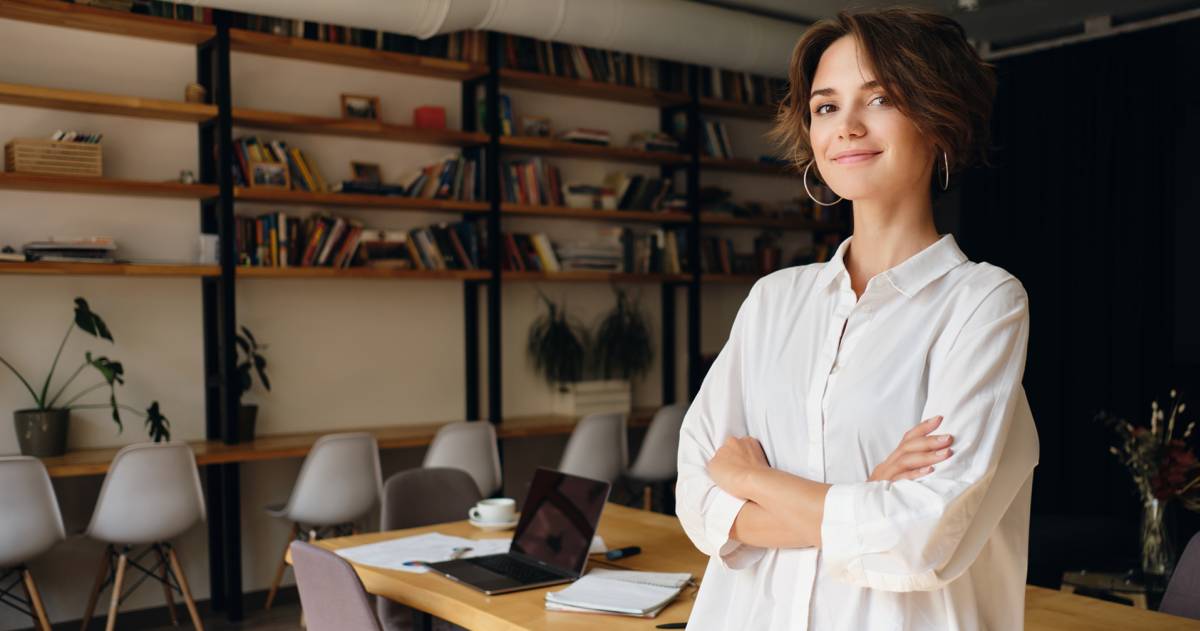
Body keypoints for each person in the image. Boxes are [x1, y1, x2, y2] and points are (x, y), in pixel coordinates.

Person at [675, 7, 1039, 630]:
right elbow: (697, 499)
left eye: (879, 100)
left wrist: (748, 477)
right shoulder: (773, 301)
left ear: (938, 122)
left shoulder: (983, 302)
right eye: (825, 107)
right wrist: (865, 495)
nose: (846, 127)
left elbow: (921, 534)